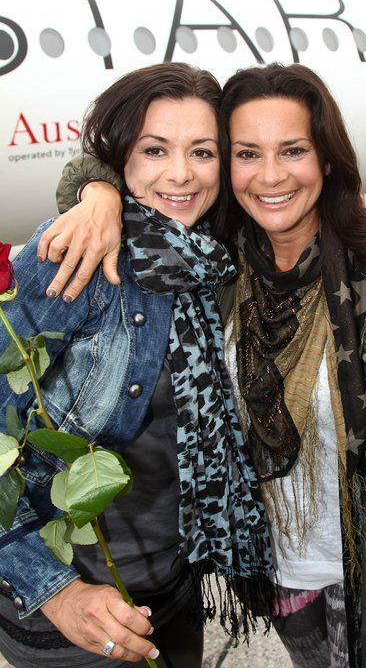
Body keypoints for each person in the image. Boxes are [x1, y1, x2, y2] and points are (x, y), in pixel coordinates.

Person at [39, 63, 366, 668]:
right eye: (247, 154)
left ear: (327, 159)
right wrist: (96, 193)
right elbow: (130, 167)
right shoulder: (214, 267)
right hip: (278, 575)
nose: (271, 175)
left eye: (293, 150)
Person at [0, 63, 274, 668]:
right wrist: (57, 593)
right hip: (78, 610)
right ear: (120, 156)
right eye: (154, 150)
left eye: (202, 152)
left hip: (174, 586)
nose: (180, 173)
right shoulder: (73, 255)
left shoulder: (214, 260)